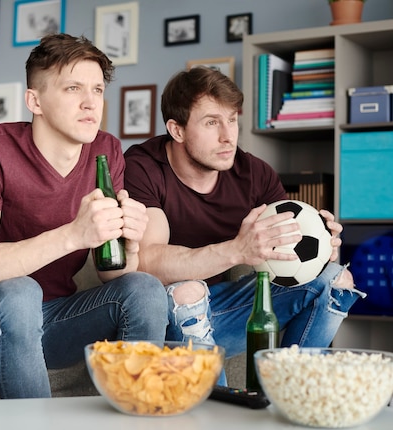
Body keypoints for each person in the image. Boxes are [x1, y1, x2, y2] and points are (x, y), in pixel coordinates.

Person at [0, 33, 168, 399]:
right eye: (73, 88)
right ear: (34, 100)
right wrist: (73, 235)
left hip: (59, 320)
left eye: (98, 90)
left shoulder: (107, 149)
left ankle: (138, 414)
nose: (90, 103)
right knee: (21, 289)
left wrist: (129, 245)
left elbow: (111, 273)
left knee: (145, 289)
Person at [124, 67, 366, 379]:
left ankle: (286, 396)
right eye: (212, 122)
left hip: (225, 312)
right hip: (166, 322)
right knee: (187, 291)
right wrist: (236, 250)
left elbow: (286, 250)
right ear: (177, 130)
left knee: (336, 280)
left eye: (232, 119)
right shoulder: (143, 167)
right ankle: (213, 413)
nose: (228, 135)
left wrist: (319, 245)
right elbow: (145, 262)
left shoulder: (253, 173)